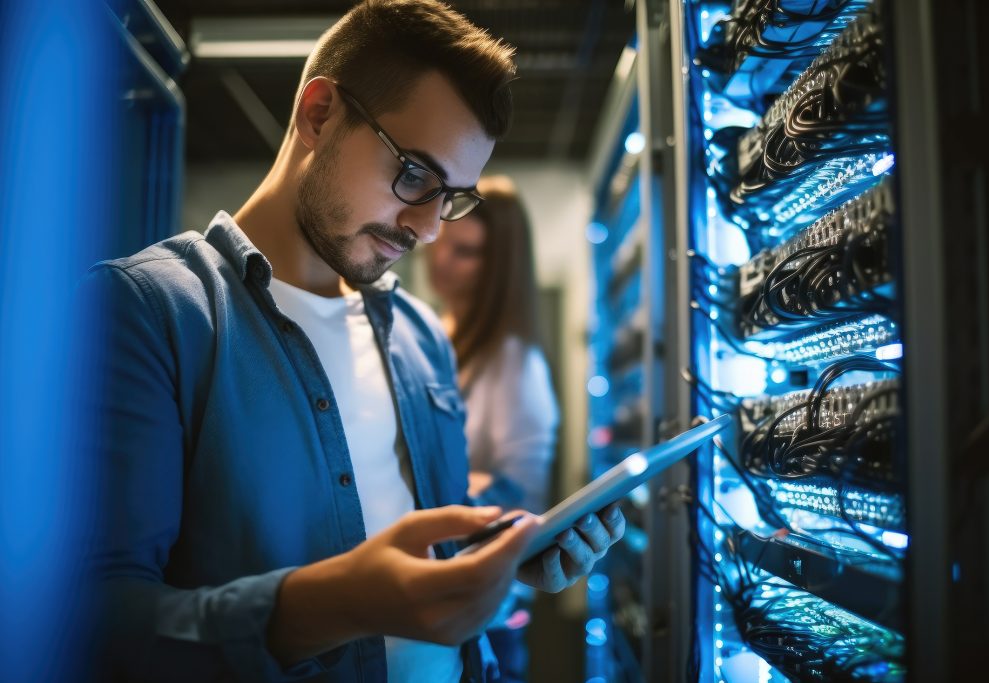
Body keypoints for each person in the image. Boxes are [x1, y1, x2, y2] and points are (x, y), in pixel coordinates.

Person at [80, 2, 624, 682]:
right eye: (416, 175)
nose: (428, 229)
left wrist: (504, 553)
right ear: (318, 114)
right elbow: (98, 623)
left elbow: (427, 555)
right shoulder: (147, 311)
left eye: (451, 197)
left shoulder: (420, 337)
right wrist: (338, 603)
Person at [426, 176, 558, 682]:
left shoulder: (513, 363)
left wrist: (442, 496)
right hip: (442, 595)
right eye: (445, 238)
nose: (441, 258)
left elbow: (521, 494)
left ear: (497, 269)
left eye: (466, 252)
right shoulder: (438, 332)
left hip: (488, 611)